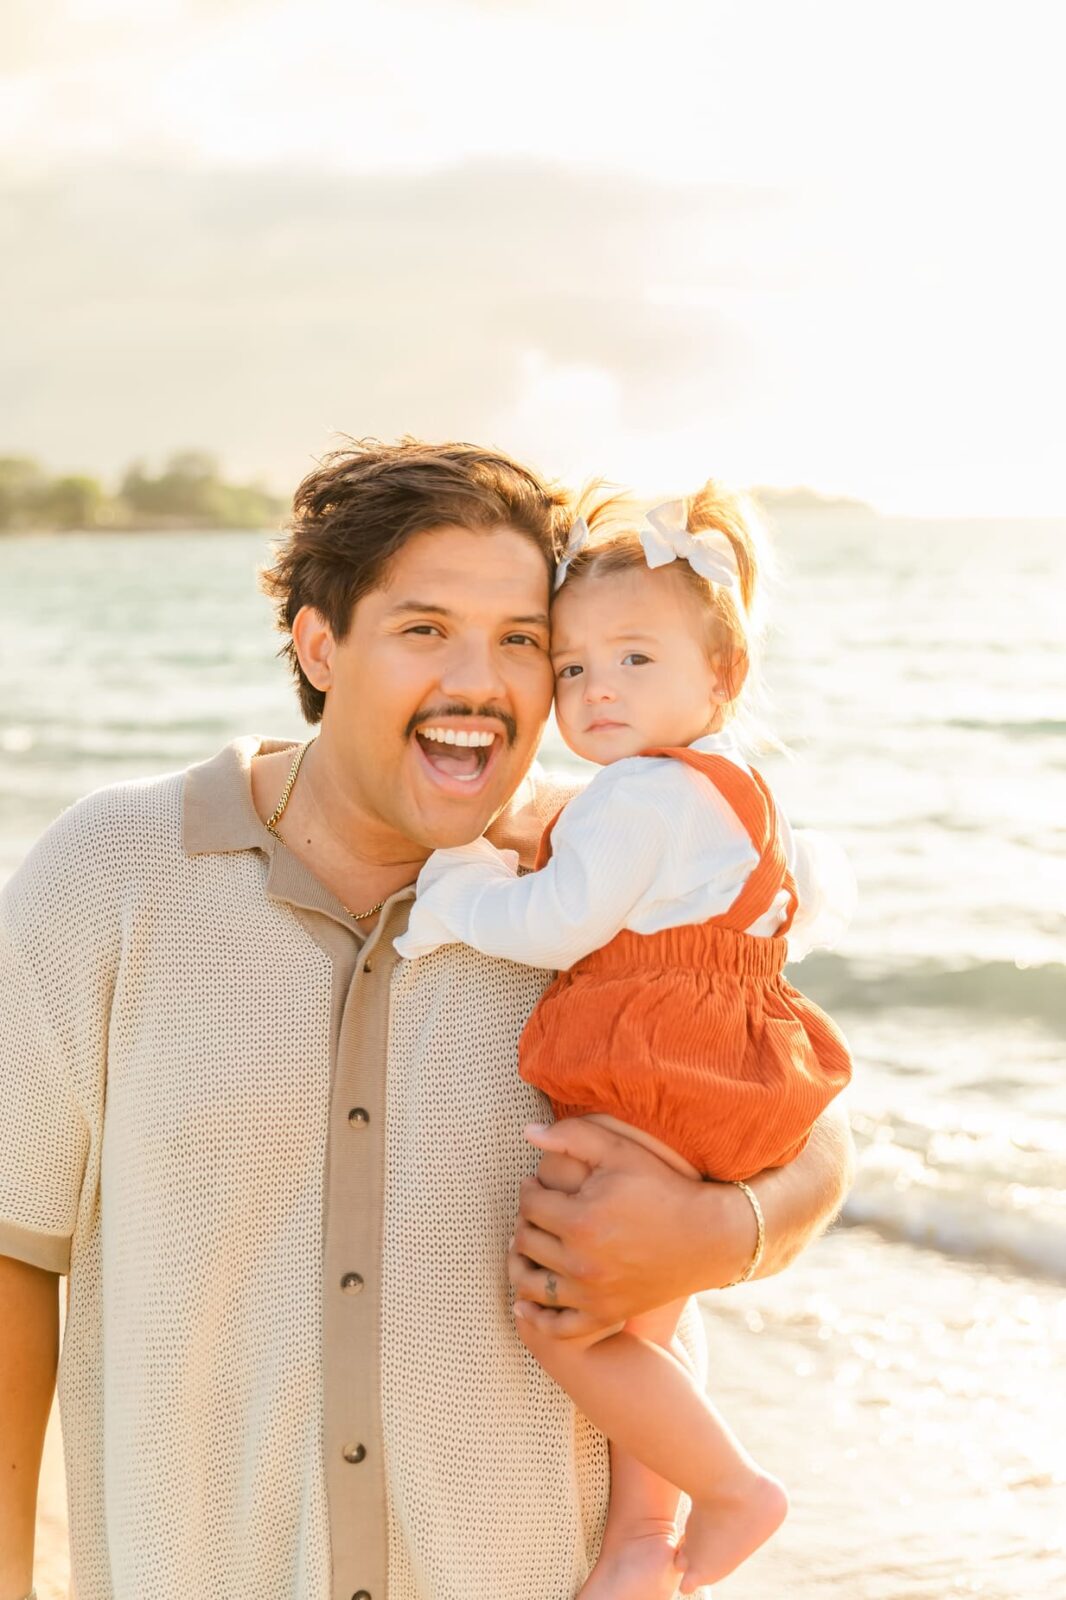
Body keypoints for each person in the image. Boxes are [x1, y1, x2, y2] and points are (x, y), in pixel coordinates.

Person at [0, 440, 854, 1600]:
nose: (479, 680)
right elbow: (12, 1246)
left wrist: (724, 1232)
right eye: (423, 629)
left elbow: (809, 1131)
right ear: (318, 642)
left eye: (520, 641)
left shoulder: (596, 876)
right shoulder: (112, 869)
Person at [395, 480, 856, 1598]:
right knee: (645, 1317)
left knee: (566, 1318)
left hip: (652, 1075)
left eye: (633, 662)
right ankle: (639, 1539)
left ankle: (737, 1489)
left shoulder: (638, 794)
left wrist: (457, 889)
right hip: (734, 1070)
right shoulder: (733, 782)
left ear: (722, 673)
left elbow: (555, 925)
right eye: (570, 667)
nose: (596, 691)